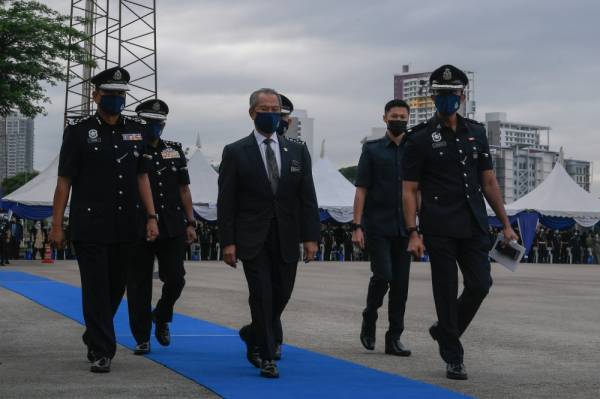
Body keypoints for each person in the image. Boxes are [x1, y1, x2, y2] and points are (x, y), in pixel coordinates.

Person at [402, 64, 518, 380]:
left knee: (481, 283)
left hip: (473, 223)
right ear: (432, 97)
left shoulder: (475, 132)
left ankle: (445, 331)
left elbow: (489, 181)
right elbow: (409, 189)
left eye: (452, 94)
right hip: (438, 225)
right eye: (441, 94)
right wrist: (413, 231)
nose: (448, 99)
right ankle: (453, 355)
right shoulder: (419, 138)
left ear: (462, 95)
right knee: (445, 288)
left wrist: (505, 223)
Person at [49, 66, 159, 373]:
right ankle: (102, 349)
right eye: (110, 94)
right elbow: (64, 182)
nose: (116, 99)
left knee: (115, 288)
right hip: (91, 225)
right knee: (96, 288)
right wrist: (57, 225)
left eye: (120, 95)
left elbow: (142, 178)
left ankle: (94, 333)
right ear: (96, 95)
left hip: (127, 224)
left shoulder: (135, 131)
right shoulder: (78, 132)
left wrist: (151, 216)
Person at [217, 88, 320, 378]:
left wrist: (311, 237)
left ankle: (253, 332)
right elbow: (227, 201)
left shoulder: (297, 150)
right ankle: (265, 354)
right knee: (261, 294)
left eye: (276, 109)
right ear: (252, 113)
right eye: (265, 109)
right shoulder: (236, 151)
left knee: (281, 295)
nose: (271, 114)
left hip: (287, 234)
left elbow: (307, 197)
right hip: (252, 236)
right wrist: (228, 242)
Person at [126, 99, 197, 355]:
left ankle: (162, 314)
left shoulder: (174, 150)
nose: (154, 127)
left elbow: (184, 189)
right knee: (138, 284)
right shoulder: (129, 147)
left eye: (159, 123)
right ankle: (142, 337)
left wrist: (191, 221)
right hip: (137, 225)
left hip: (172, 224)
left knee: (176, 279)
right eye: (149, 123)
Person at [352, 99, 413, 356]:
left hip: (406, 228)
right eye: (394, 115)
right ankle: (370, 315)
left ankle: (394, 337)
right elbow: (361, 190)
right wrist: (357, 225)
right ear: (385, 118)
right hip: (377, 225)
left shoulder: (414, 148)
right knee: (384, 276)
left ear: (408, 119)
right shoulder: (373, 150)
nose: (398, 119)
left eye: (403, 116)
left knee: (401, 285)